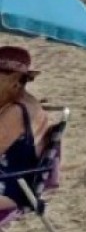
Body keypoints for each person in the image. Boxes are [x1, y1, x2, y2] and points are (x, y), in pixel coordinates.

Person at [0, 46, 54, 207]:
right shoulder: (27, 101)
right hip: (18, 181)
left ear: (14, 80)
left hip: (10, 189)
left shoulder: (16, 112)